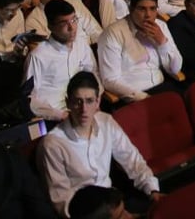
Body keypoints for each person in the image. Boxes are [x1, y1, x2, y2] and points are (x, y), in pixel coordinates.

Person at [38, 71, 161, 218]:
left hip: (114, 204)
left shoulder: (106, 122)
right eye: (78, 101)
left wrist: (152, 190)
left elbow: (132, 160)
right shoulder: (52, 144)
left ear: (98, 102)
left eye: (89, 101)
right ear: (68, 102)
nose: (84, 109)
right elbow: (62, 200)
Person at [96, 0, 182, 102]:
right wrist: (144, 98)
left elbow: (175, 69)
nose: (148, 15)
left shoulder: (160, 27)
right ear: (131, 9)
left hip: (162, 86)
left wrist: (162, 42)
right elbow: (110, 80)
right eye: (142, 9)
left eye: (153, 9)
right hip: (135, 97)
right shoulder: (112, 33)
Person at [24, 0, 97, 122]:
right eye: (64, 23)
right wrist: (59, 115)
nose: (72, 27)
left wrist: (95, 101)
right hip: (54, 118)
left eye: (74, 20)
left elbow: (93, 75)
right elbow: (29, 99)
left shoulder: (81, 44)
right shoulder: (38, 56)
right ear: (50, 26)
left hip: (83, 111)